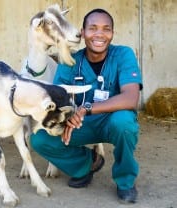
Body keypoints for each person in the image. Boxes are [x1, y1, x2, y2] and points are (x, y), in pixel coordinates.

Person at [30, 8, 143, 204]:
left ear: (112, 34)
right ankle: (86, 165)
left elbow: (131, 98)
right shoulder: (70, 59)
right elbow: (58, 98)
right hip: (80, 123)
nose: (99, 34)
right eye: (93, 28)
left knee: (125, 122)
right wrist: (67, 115)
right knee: (39, 139)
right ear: (82, 33)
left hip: (111, 120)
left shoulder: (123, 54)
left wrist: (86, 108)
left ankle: (125, 181)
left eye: (106, 29)